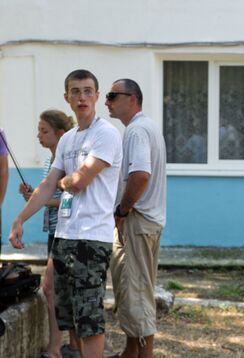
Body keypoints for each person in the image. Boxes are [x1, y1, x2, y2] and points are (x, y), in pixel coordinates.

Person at [9, 69, 122, 358]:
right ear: (67, 97)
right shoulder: (69, 139)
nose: (82, 97)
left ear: (97, 96)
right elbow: (48, 185)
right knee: (69, 315)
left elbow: (79, 181)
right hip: (64, 236)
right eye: (76, 91)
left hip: (91, 239)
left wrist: (63, 181)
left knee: (89, 320)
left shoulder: (106, 134)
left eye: (87, 91)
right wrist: (20, 218)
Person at [105, 79, 166, 358]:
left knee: (135, 297)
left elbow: (140, 175)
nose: (106, 101)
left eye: (112, 95)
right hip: (146, 223)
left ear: (132, 99)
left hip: (136, 222)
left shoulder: (137, 130)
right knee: (136, 294)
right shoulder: (146, 127)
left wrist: (121, 211)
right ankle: (130, 352)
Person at [18, 110, 81, 358]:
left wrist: (43, 200)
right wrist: (33, 195)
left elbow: (71, 200)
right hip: (53, 231)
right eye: (38, 130)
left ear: (61, 134)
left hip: (66, 233)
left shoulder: (69, 163)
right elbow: (49, 195)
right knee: (62, 289)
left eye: (44, 131)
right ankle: (74, 346)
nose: (38, 136)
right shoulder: (50, 162)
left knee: (52, 288)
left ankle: (54, 350)